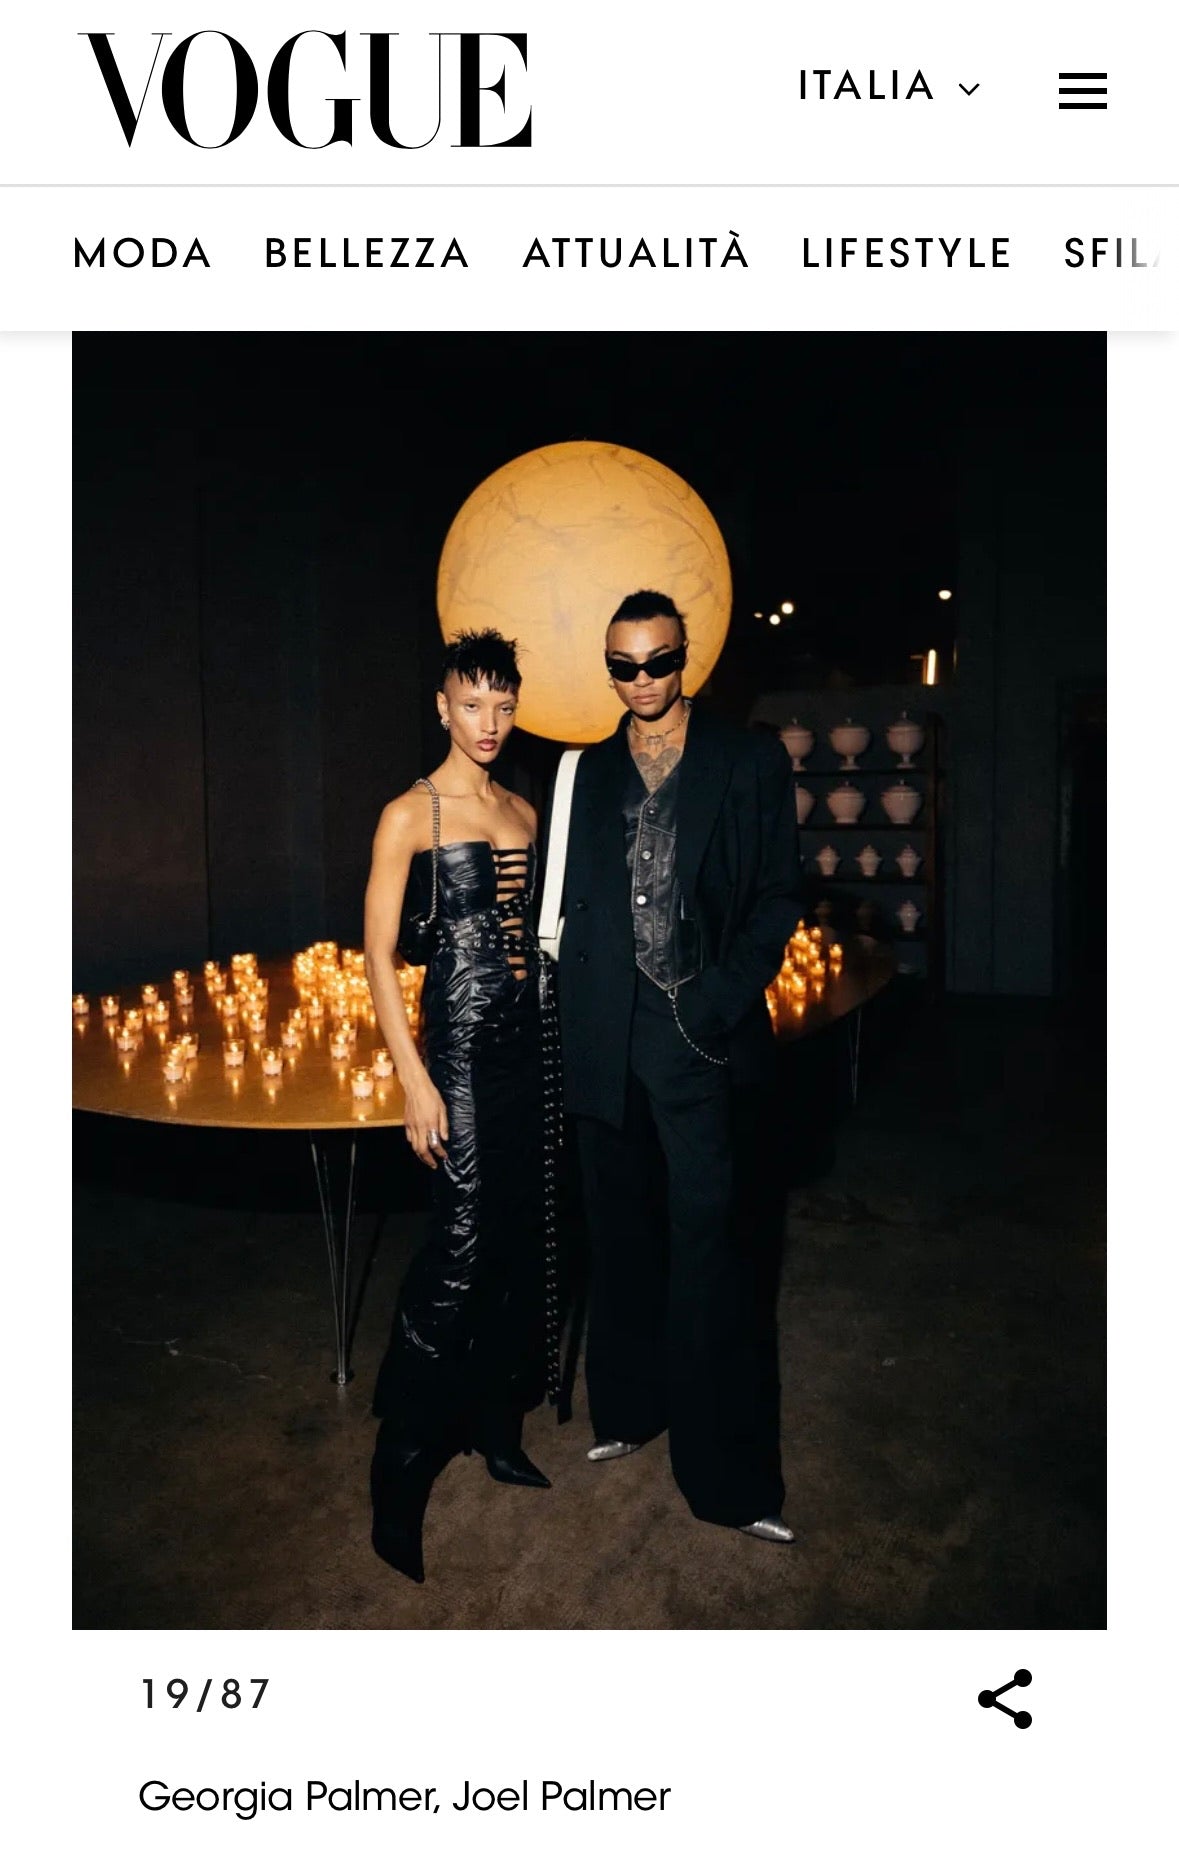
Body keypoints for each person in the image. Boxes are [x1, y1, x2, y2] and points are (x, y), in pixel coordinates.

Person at [555, 590, 802, 1543]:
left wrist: (714, 1001)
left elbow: (777, 896)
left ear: (685, 655)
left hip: (695, 1031)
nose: (641, 681)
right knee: (620, 1233)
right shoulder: (587, 769)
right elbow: (568, 902)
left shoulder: (747, 759)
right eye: (622, 666)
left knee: (714, 1251)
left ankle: (730, 1482)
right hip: (600, 1031)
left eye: (658, 661)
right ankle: (630, 1409)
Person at [364, 629, 559, 1583]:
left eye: (502, 706)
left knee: (524, 1236)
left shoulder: (523, 809)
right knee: (462, 1244)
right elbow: (377, 956)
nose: (488, 722)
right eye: (471, 704)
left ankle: (495, 1422)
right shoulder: (410, 813)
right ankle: (398, 1463)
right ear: (442, 707)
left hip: (533, 1046)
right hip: (462, 1056)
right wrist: (414, 1077)